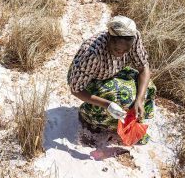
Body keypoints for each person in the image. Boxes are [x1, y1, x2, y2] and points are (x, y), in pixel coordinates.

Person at [67, 15, 156, 144]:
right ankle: (87, 115)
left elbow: (144, 69)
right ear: (108, 38)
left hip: (113, 72)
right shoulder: (92, 53)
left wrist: (140, 100)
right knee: (119, 98)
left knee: (148, 88)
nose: (122, 53)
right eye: (117, 50)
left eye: (126, 50)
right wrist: (107, 105)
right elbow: (75, 89)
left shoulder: (134, 37)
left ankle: (129, 115)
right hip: (88, 80)